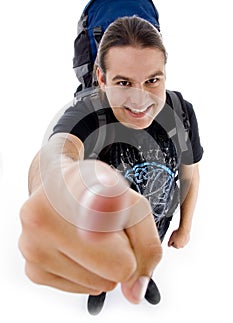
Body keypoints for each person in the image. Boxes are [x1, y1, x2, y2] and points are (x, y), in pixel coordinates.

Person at [18, 16, 203, 306]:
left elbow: (190, 172)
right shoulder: (89, 112)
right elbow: (57, 153)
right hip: (99, 236)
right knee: (98, 268)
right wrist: (54, 181)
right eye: (124, 82)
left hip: (155, 227)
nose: (140, 99)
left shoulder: (180, 111)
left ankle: (145, 277)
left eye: (152, 80)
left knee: (146, 256)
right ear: (101, 78)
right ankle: (98, 290)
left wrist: (185, 227)